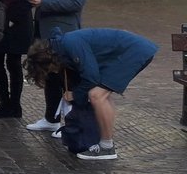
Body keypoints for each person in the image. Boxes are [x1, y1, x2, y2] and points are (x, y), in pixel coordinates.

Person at [24, 28, 157, 160]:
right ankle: (105, 142)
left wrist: (75, 94)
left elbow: (91, 77)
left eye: (49, 70)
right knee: (102, 95)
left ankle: (106, 147)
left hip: (134, 51)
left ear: (48, 60)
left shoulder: (70, 44)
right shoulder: (63, 45)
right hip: (134, 49)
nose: (53, 71)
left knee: (96, 95)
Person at [25, 0, 91, 135]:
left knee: (67, 80)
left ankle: (71, 124)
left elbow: (75, 4)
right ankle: (51, 119)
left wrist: (43, 2)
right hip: (45, 33)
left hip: (64, 34)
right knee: (51, 77)